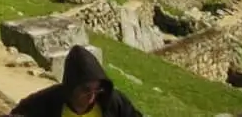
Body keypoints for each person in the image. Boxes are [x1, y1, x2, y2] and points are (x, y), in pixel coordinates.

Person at [10, 45, 144, 117]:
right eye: (86, 90)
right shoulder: (49, 101)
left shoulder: (113, 102)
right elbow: (21, 112)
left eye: (96, 90)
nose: (92, 97)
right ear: (72, 86)